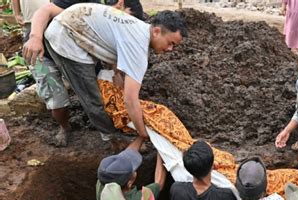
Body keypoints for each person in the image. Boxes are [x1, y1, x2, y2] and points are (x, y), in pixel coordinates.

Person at [40, 4, 187, 144]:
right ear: (156, 31)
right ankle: (113, 138)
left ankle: (111, 128)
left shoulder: (139, 28)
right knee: (92, 96)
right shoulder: (138, 48)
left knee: (105, 88)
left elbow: (116, 45)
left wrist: (117, 76)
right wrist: (142, 133)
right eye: (170, 43)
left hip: (77, 24)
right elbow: (130, 100)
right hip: (65, 35)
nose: (170, 49)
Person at [12, 0, 71, 147]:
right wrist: (16, 12)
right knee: (52, 89)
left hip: (64, 30)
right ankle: (64, 127)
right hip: (33, 35)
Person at [96, 136, 166, 200]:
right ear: (129, 183)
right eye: (132, 171)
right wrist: (161, 150)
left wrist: (142, 136)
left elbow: (127, 154)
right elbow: (159, 184)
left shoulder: (103, 181)